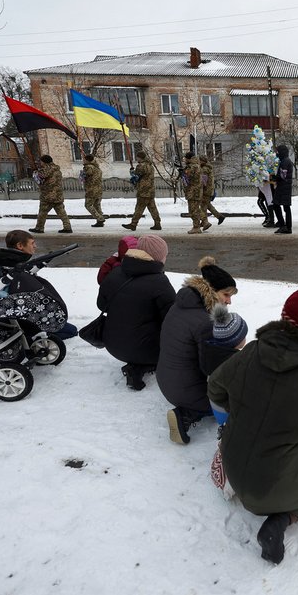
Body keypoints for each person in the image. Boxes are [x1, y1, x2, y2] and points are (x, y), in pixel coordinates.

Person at [208, 285, 298, 565]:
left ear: (283, 317)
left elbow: (215, 387)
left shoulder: (250, 352)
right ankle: (285, 518)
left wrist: (242, 410)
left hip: (235, 470)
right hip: (277, 489)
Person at [157, 256, 238, 443]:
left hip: (166, 378)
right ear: (213, 291)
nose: (229, 302)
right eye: (226, 295)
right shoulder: (204, 322)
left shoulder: (181, 304)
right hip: (184, 390)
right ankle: (186, 415)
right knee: (231, 399)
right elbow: (212, 369)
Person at [96, 234, 175, 390]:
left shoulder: (115, 273)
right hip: (145, 350)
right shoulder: (159, 282)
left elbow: (101, 305)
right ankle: (139, 367)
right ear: (157, 257)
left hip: (112, 344)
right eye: (165, 255)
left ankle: (137, 363)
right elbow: (173, 318)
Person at [201, 303, 249, 429]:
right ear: (235, 340)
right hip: (226, 411)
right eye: (243, 335)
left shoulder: (210, 351)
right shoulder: (233, 363)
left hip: (215, 406)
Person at [30, 154, 72, 234]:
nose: (40, 163)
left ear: (44, 162)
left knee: (42, 212)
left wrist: (36, 172)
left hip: (48, 195)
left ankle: (39, 228)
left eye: (41, 161)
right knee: (61, 212)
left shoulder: (46, 169)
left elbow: (41, 177)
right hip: (58, 194)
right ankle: (67, 227)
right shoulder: (57, 170)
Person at [122, 151, 162, 231]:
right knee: (152, 208)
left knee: (139, 208)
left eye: (137, 157)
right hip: (150, 190)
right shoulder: (150, 166)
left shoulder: (141, 166)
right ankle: (157, 223)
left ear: (140, 157)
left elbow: (136, 176)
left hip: (143, 190)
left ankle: (133, 224)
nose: (136, 158)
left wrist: (132, 172)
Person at [271, 145, 293, 234]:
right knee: (286, 207)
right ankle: (288, 227)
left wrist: (273, 177)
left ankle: (283, 225)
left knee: (276, 205)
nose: (277, 153)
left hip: (283, 188)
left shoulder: (284, 162)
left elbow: (282, 176)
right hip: (286, 187)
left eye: (278, 152)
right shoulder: (287, 161)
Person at [200, 155, 225, 229]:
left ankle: (205, 223)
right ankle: (219, 216)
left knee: (203, 207)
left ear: (203, 161)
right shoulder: (207, 168)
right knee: (207, 205)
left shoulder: (204, 169)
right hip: (209, 190)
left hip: (206, 191)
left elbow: (202, 181)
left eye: (199, 161)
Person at [184, 152, 206, 234]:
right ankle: (201, 223)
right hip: (194, 191)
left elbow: (188, 176)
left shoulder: (193, 167)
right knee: (194, 210)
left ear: (189, 158)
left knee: (194, 210)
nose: (184, 160)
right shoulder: (195, 165)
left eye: (185, 158)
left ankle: (196, 227)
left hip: (194, 191)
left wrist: (184, 171)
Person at [81, 154, 106, 227]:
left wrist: (83, 173)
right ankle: (99, 221)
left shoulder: (88, 167)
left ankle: (100, 218)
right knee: (97, 205)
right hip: (99, 189)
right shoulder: (97, 168)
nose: (83, 160)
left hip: (91, 189)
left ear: (87, 160)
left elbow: (86, 175)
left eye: (84, 159)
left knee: (88, 205)